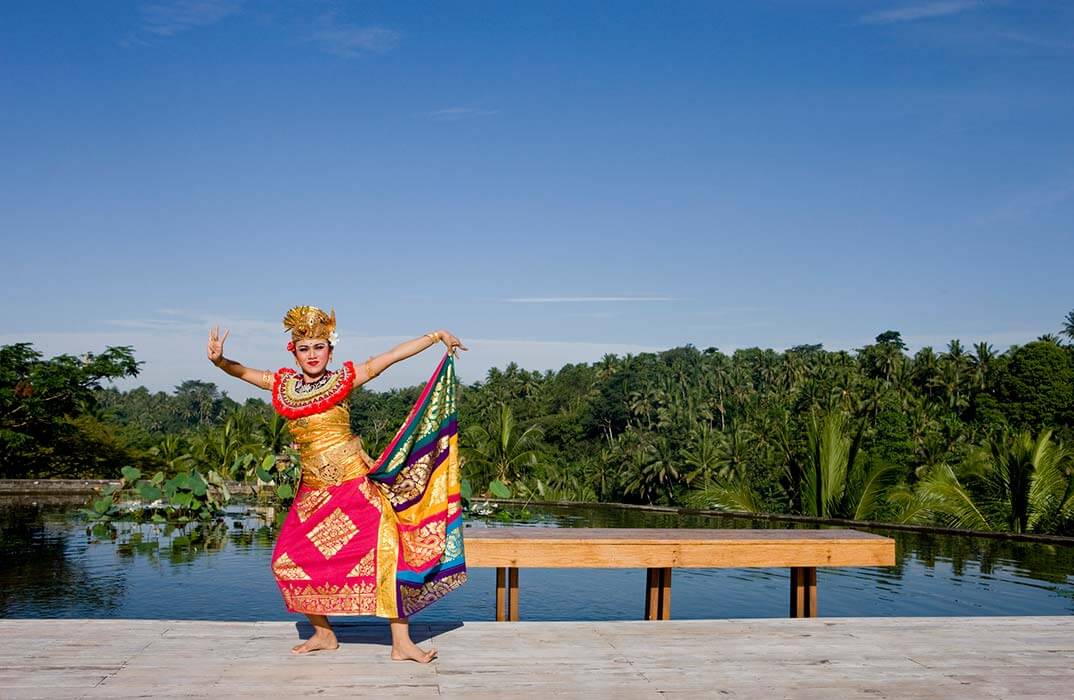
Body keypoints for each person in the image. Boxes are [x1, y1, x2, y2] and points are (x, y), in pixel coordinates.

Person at [206, 305, 469, 661]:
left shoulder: (343, 379)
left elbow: (389, 357)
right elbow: (243, 373)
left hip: (354, 486)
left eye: (318, 347)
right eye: (304, 348)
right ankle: (324, 633)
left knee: (387, 554)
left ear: (330, 349)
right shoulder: (283, 385)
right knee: (286, 561)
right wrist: (221, 362)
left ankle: (401, 643)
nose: (312, 355)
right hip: (313, 491)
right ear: (294, 352)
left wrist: (435, 335)